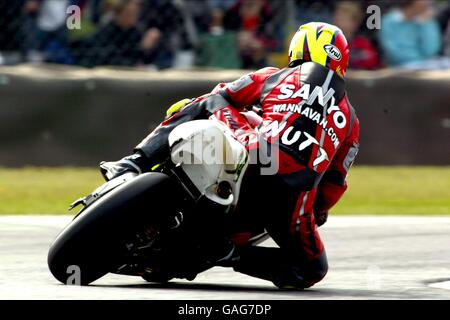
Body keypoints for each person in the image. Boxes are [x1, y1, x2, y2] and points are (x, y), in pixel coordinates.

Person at [100, 22, 360, 289]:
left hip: (252, 153)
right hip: (292, 198)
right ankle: (229, 254)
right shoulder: (350, 121)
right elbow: (335, 184)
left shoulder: (276, 76)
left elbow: (226, 94)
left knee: (207, 101)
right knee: (312, 270)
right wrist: (319, 211)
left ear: (297, 50)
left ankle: (134, 162)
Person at [380, 0, 442, 67]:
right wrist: (418, 60)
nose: (428, 2)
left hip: (426, 65)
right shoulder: (389, 21)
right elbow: (392, 52)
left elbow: (431, 51)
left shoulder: (427, 21)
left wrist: (426, 25)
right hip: (399, 67)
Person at [333, 1, 380, 70]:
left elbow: (372, 60)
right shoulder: (328, 41)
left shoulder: (362, 43)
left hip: (360, 76)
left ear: (355, 23)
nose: (338, 22)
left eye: (343, 19)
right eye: (337, 18)